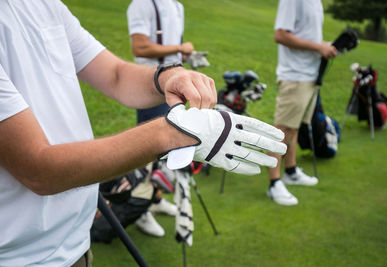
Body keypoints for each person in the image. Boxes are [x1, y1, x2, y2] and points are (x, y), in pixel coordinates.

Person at [0, 1, 286, 266]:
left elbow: (115, 74)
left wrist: (169, 75)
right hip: (22, 257)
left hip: (75, 238)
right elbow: (37, 168)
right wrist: (172, 134)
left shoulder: (46, 4)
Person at [126, 0, 194, 236]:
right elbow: (140, 48)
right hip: (150, 87)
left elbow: (175, 50)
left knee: (165, 152)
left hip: (174, 88)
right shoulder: (142, 4)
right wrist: (179, 47)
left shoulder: (177, 6)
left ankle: (153, 200)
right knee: (147, 151)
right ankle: (139, 209)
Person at [266, 0, 338, 206]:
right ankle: (274, 183)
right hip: (295, 75)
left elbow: (306, 34)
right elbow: (280, 35)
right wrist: (318, 47)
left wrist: (324, 46)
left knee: (295, 128)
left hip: (310, 74)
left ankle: (290, 171)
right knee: (282, 130)